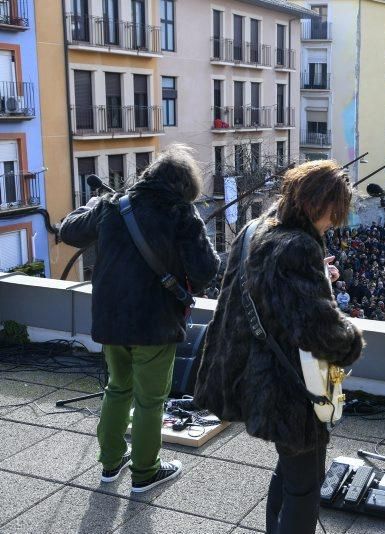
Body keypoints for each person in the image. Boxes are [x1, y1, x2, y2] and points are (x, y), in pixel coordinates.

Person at [194, 160, 364, 534]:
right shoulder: (298, 247)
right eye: (334, 214)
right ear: (319, 205)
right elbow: (320, 330)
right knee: (305, 483)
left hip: (250, 371)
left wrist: (318, 274)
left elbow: (263, 292)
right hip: (287, 385)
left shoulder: (258, 228)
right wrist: (351, 340)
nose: (334, 223)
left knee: (290, 469)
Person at [59, 144, 220, 493]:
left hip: (111, 319)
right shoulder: (181, 214)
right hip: (155, 322)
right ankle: (145, 473)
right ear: (185, 186)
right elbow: (207, 271)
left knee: (117, 388)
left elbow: (68, 230)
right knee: (150, 400)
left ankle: (111, 462)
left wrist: (91, 205)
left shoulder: (111, 205)